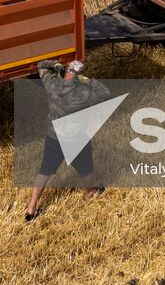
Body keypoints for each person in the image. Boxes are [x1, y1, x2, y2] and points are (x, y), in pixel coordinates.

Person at [24, 58, 109, 221]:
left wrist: (55, 64)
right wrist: (89, 82)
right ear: (79, 76)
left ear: (66, 71)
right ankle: (90, 192)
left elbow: (41, 66)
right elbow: (105, 94)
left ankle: (31, 207)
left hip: (54, 136)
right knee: (86, 167)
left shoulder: (53, 85)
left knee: (45, 171)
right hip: (76, 138)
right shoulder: (83, 94)